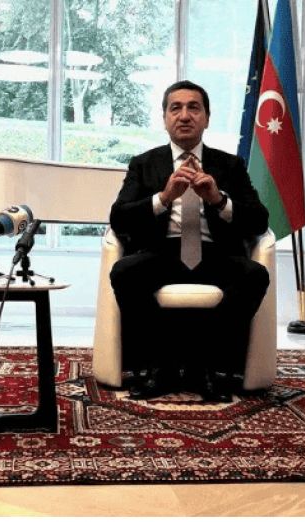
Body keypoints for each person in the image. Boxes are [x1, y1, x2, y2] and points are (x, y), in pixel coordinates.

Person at [109, 80, 270, 402]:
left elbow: (258, 220)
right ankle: (162, 367)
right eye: (176, 108)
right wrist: (164, 197)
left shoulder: (231, 165)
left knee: (255, 275)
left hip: (214, 255)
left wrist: (218, 200)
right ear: (165, 119)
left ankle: (204, 366)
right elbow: (119, 218)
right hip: (161, 254)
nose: (184, 116)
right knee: (124, 272)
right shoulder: (144, 163)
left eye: (194, 108)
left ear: (206, 118)